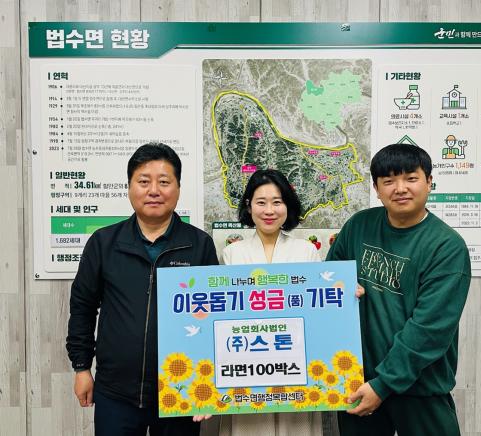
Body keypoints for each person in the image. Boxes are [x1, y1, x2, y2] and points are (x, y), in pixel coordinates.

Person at [66, 143, 219, 435]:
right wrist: (82, 367)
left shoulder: (199, 245)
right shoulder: (104, 243)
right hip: (115, 391)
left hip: (180, 389)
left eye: (164, 182)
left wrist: (205, 384)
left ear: (178, 188)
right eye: (144, 181)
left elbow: (212, 319)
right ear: (129, 187)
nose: (154, 191)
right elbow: (82, 308)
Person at [326, 143, 471, 436]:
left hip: (420, 387)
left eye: (411, 178)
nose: (400, 188)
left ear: (429, 182)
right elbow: (329, 279)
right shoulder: (359, 226)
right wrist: (339, 286)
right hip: (359, 382)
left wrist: (383, 384)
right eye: (389, 181)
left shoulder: (446, 246)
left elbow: (429, 329)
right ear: (377, 189)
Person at [219, 168, 322, 436]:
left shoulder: (306, 251)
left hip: (296, 362)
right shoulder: (232, 253)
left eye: (277, 202)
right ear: (249, 206)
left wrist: (344, 292)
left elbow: (321, 309)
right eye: (261, 202)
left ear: (288, 205)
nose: (269, 210)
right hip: (247, 363)